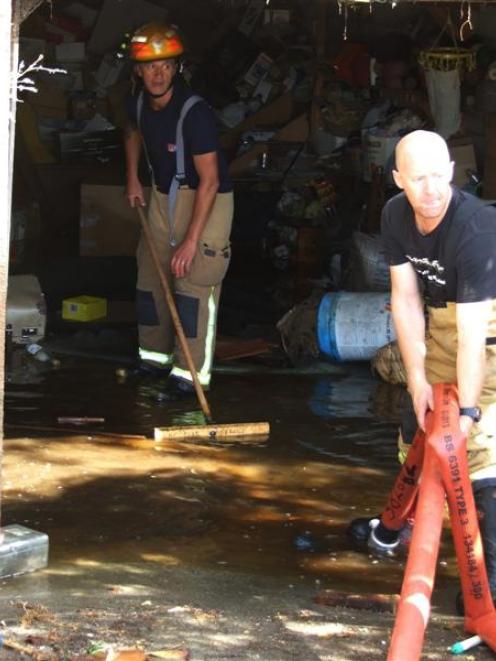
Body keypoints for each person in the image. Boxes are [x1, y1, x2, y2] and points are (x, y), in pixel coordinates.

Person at [349, 130, 496, 607]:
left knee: (481, 452)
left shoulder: (476, 228)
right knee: (418, 426)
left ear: (452, 172)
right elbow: (406, 299)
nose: (430, 188)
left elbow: (476, 334)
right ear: (398, 180)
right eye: (418, 178)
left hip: (488, 326)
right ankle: (402, 526)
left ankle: (489, 585)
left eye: (438, 175)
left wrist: (469, 412)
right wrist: (415, 381)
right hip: (442, 322)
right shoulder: (395, 215)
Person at [124, 22, 234, 399]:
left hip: (204, 197)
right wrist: (133, 178)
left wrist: (190, 241)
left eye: (166, 65)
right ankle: (153, 358)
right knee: (151, 273)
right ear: (138, 70)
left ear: (177, 68)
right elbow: (131, 131)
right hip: (159, 193)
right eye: (150, 66)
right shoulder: (138, 101)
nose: (158, 73)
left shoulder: (195, 113)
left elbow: (211, 181)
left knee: (193, 282)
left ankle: (190, 375)